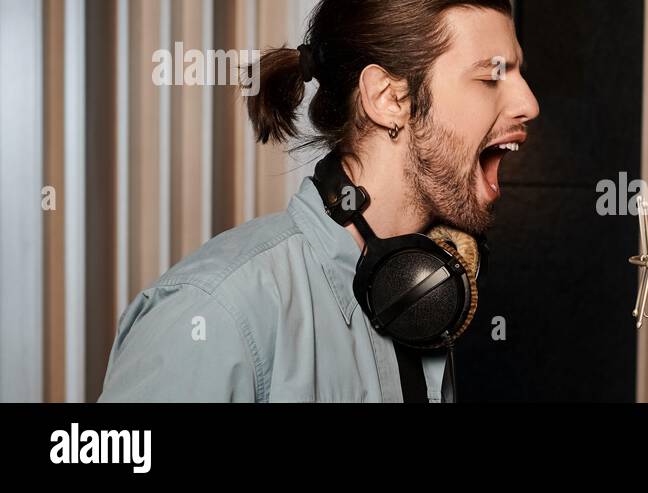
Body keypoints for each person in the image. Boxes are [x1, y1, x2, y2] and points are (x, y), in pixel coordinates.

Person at [100, 0, 539, 402]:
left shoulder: (423, 291)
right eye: (491, 76)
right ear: (389, 99)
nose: (529, 103)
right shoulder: (216, 310)